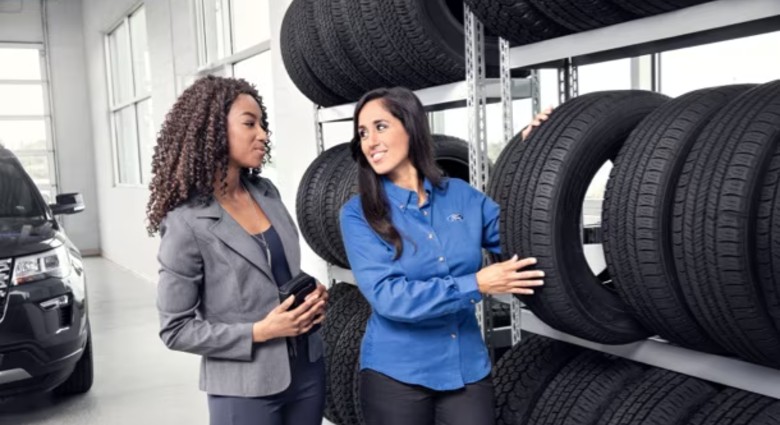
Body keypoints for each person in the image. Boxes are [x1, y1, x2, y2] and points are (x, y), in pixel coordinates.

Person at [339, 86, 545, 425]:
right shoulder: (359, 214)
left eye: (380, 126)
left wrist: (532, 154)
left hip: (466, 368)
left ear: (411, 126)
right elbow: (389, 297)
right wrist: (475, 284)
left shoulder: (461, 196)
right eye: (362, 133)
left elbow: (518, 235)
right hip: (396, 375)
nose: (370, 141)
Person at [146, 75, 327, 425]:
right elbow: (175, 328)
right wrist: (259, 332)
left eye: (263, 124)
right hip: (244, 388)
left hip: (306, 369)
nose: (263, 134)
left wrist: (311, 296)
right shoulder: (187, 223)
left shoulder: (267, 193)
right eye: (250, 123)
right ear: (211, 130)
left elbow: (278, 273)